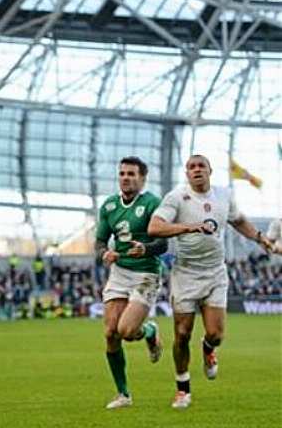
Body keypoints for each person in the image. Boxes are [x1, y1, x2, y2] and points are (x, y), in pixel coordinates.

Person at [148, 154, 277, 409]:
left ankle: (208, 349)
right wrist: (189, 227)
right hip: (185, 273)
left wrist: (260, 237)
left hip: (215, 272)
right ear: (187, 173)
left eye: (201, 166)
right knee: (182, 334)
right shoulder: (177, 197)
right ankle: (182, 389)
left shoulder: (223, 195)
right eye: (191, 167)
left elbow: (238, 220)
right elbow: (155, 227)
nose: (196, 170)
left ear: (210, 171)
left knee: (216, 334)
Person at [94, 157, 167, 409]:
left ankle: (150, 331)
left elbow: (163, 244)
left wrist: (145, 248)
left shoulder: (153, 204)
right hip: (120, 272)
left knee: (126, 331)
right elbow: (100, 242)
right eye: (122, 173)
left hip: (146, 274)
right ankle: (123, 394)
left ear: (142, 178)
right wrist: (105, 253)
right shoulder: (109, 206)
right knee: (110, 334)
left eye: (131, 174)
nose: (125, 177)